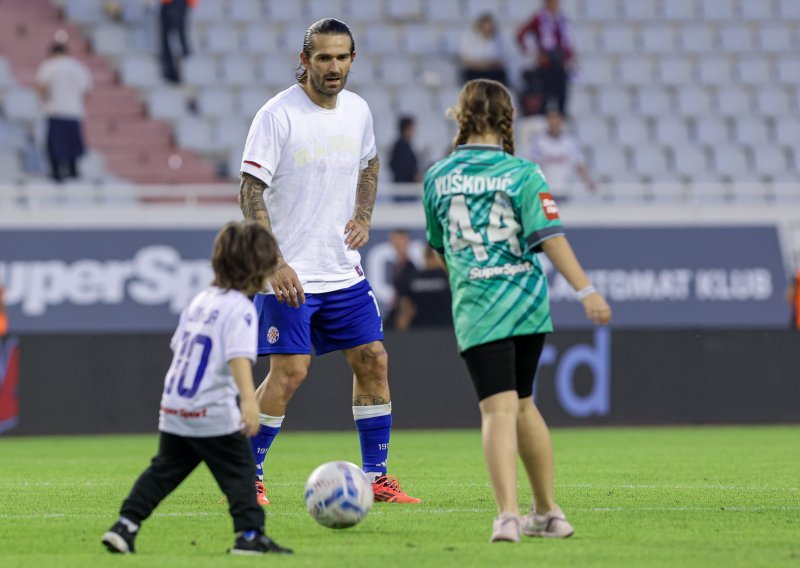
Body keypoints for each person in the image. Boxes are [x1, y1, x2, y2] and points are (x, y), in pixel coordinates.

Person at [238, 18, 420, 505]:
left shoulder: (358, 111)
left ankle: (376, 475)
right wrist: (274, 262)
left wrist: (363, 215)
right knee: (290, 372)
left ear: (353, 59)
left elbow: (370, 162)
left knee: (374, 361)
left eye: (342, 57)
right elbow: (249, 189)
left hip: (342, 271)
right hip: (288, 273)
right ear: (305, 61)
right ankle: (245, 473)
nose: (334, 66)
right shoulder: (277, 115)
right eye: (324, 58)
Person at [422, 79, 611, 542]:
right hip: (526, 302)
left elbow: (440, 248)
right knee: (524, 405)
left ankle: (507, 515)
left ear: (460, 117)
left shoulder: (437, 177)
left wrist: (467, 280)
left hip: (479, 305)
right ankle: (548, 512)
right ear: (507, 120)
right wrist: (586, 289)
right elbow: (550, 237)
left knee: (497, 411)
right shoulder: (524, 173)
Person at [101, 222, 292, 556]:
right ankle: (249, 536)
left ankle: (125, 526)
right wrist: (249, 402)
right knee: (241, 471)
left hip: (175, 405)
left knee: (163, 471)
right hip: (211, 410)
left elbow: (181, 349)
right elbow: (237, 359)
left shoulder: (201, 300)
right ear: (254, 267)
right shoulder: (241, 310)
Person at [35, 41, 92, 183]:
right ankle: (74, 174)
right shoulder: (78, 67)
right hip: (74, 112)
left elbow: (42, 89)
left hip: (56, 112)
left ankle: (56, 175)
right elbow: (86, 92)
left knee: (55, 148)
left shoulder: (49, 66)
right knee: (73, 148)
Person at [517, 0, 575, 115]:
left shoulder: (562, 20)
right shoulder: (538, 18)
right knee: (544, 97)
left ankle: (560, 124)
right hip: (545, 64)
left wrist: (569, 58)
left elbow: (567, 42)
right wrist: (533, 52)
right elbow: (521, 34)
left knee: (561, 97)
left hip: (560, 63)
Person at [524, 108, 596, 199]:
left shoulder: (570, 141)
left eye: (556, 119)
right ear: (547, 121)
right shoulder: (538, 140)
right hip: (545, 190)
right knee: (548, 213)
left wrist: (588, 181)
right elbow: (531, 163)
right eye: (551, 119)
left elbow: (579, 164)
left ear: (562, 121)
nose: (554, 122)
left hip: (564, 190)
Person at [393, 246, 452, 331]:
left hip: (419, 334)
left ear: (424, 257)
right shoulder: (449, 279)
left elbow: (405, 311)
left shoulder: (412, 279)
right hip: (447, 333)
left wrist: (401, 336)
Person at [459, 13, 508, 86]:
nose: (487, 30)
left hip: (493, 71)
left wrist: (487, 65)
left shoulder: (499, 38)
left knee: (502, 74)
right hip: (475, 71)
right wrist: (480, 65)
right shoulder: (469, 37)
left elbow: (502, 60)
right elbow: (466, 59)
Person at [160, 0, 195, 83]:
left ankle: (175, 73)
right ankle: (173, 73)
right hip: (173, 4)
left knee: (174, 39)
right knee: (173, 39)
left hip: (175, 4)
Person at [388, 116, 421, 184]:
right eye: (412, 129)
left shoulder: (405, 145)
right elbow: (404, 167)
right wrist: (414, 176)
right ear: (406, 129)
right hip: (405, 186)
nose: (414, 132)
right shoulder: (401, 146)